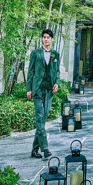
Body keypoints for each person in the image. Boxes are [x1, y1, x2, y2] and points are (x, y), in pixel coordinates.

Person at [26, 28, 60, 159]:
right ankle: (45, 148)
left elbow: (57, 71)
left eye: (48, 37)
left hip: (49, 91)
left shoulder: (55, 54)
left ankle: (34, 150)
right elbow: (30, 72)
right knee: (40, 118)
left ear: (52, 39)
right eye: (44, 37)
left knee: (42, 120)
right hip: (37, 90)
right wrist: (29, 89)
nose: (46, 39)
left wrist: (57, 83)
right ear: (42, 39)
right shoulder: (35, 53)